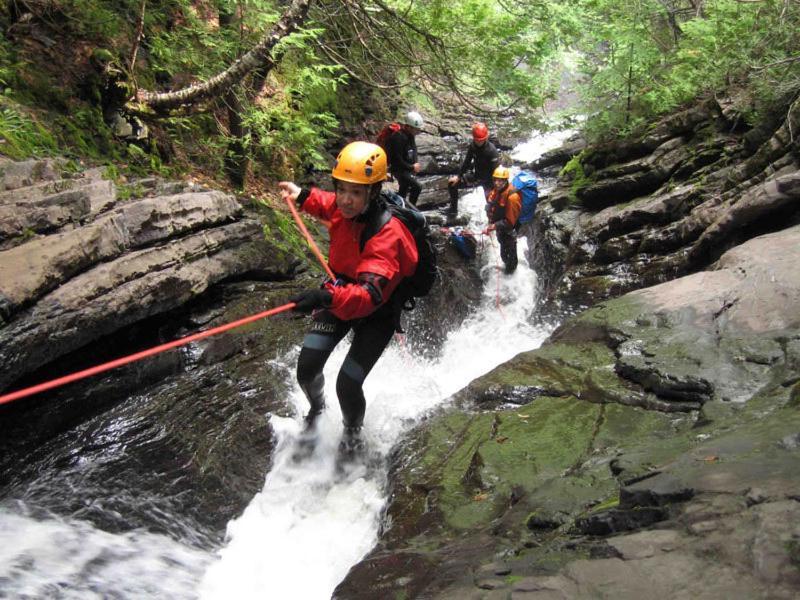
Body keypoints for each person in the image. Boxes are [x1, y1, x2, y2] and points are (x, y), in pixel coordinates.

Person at [278, 141, 419, 462]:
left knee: (347, 384)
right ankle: (316, 409)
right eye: (342, 189)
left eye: (355, 193)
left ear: (373, 192)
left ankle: (352, 433)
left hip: (377, 313)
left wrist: (325, 296)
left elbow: (369, 296)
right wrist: (301, 195)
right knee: (306, 370)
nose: (345, 199)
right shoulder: (343, 209)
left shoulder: (387, 234)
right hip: (341, 293)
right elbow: (326, 204)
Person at [446, 122, 500, 217]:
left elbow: (496, 172)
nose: (479, 142)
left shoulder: (492, 151)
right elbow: (467, 162)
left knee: (491, 208)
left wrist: (495, 189)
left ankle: (492, 224)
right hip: (476, 176)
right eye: (477, 140)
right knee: (452, 184)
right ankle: (453, 210)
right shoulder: (473, 146)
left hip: (489, 181)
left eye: (481, 140)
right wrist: (459, 176)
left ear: (486, 138)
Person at [485, 165, 521, 274]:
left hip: (509, 230)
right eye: (495, 180)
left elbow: (510, 222)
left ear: (506, 181)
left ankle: (511, 274)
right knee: (503, 252)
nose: (497, 183)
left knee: (510, 256)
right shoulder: (496, 191)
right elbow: (492, 202)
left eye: (500, 180)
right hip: (500, 228)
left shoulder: (512, 197)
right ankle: (508, 268)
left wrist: (494, 226)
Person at [385, 111, 424, 207]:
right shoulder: (398, 137)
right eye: (416, 129)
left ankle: (401, 208)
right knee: (417, 187)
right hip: (398, 169)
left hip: (406, 168)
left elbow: (414, 149)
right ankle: (411, 208)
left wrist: (415, 163)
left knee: (404, 189)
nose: (417, 132)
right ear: (408, 127)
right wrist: (411, 167)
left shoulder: (410, 135)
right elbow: (397, 160)